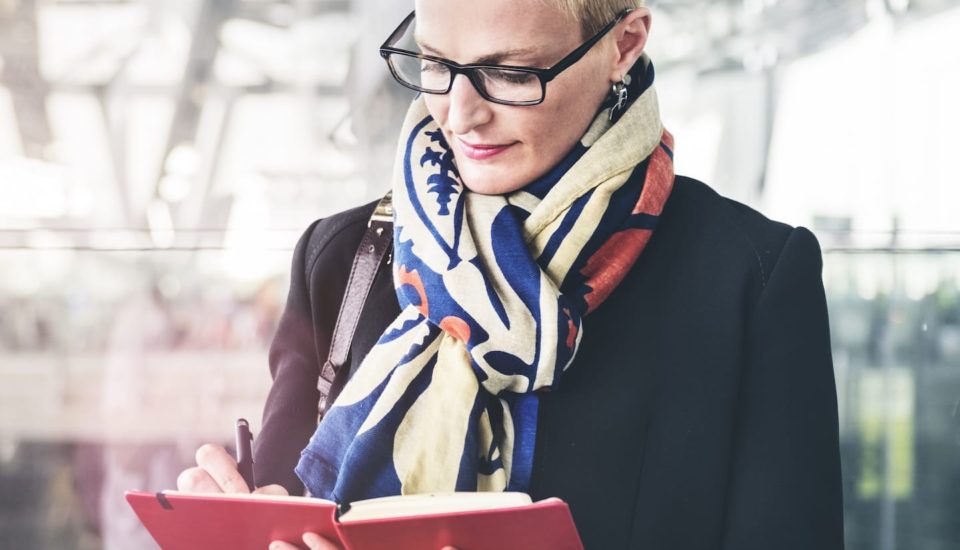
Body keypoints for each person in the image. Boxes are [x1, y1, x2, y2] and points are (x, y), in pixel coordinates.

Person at [177, 0, 845, 548]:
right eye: (435, 62)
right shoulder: (345, 258)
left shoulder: (747, 280)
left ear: (625, 42)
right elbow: (284, 504)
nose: (460, 113)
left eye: (513, 73)